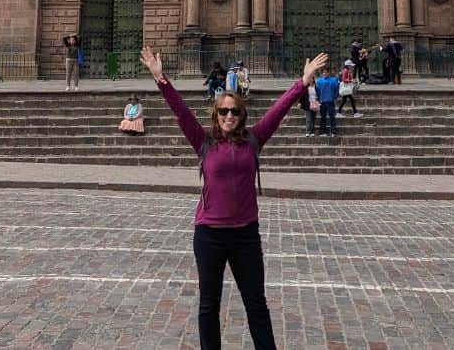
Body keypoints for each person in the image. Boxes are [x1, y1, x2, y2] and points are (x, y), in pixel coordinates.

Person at [140, 45, 325, 350]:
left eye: (234, 111)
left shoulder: (254, 139)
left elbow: (277, 112)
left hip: (245, 236)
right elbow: (180, 111)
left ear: (242, 116)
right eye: (223, 111)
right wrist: (160, 78)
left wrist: (302, 82)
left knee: (256, 304)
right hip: (209, 234)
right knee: (208, 305)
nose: (229, 115)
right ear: (216, 115)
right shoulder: (203, 141)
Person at [315, 65, 340, 137]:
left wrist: (335, 97)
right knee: (323, 117)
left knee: (332, 117)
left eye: (326, 72)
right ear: (322, 73)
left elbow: (337, 89)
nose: (324, 74)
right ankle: (323, 132)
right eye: (323, 72)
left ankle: (333, 131)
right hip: (322, 102)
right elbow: (317, 91)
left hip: (330, 102)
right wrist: (319, 100)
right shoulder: (319, 81)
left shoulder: (333, 80)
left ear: (328, 73)